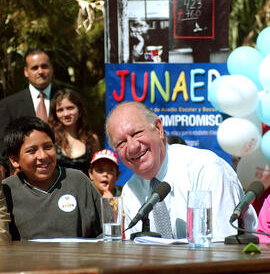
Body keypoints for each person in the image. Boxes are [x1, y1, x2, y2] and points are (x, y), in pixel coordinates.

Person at [105, 101, 258, 240]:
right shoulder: (131, 190)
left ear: (158, 129)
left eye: (137, 133)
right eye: (121, 143)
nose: (132, 147)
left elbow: (223, 246)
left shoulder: (205, 169)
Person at [2, 116, 102, 240]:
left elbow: (106, 230)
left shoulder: (78, 180)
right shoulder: (7, 191)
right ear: (14, 160)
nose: (43, 156)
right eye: (32, 151)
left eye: (48, 147)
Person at [0, 48, 58, 179]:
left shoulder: (67, 102)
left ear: (51, 68)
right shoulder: (8, 105)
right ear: (26, 71)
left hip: (63, 177)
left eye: (44, 66)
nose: (40, 71)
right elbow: (3, 147)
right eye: (35, 68)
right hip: (23, 178)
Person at [49, 89, 100, 176]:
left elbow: (97, 171)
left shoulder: (92, 139)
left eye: (70, 108)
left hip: (84, 189)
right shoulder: (50, 139)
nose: (66, 114)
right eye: (60, 110)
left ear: (79, 109)